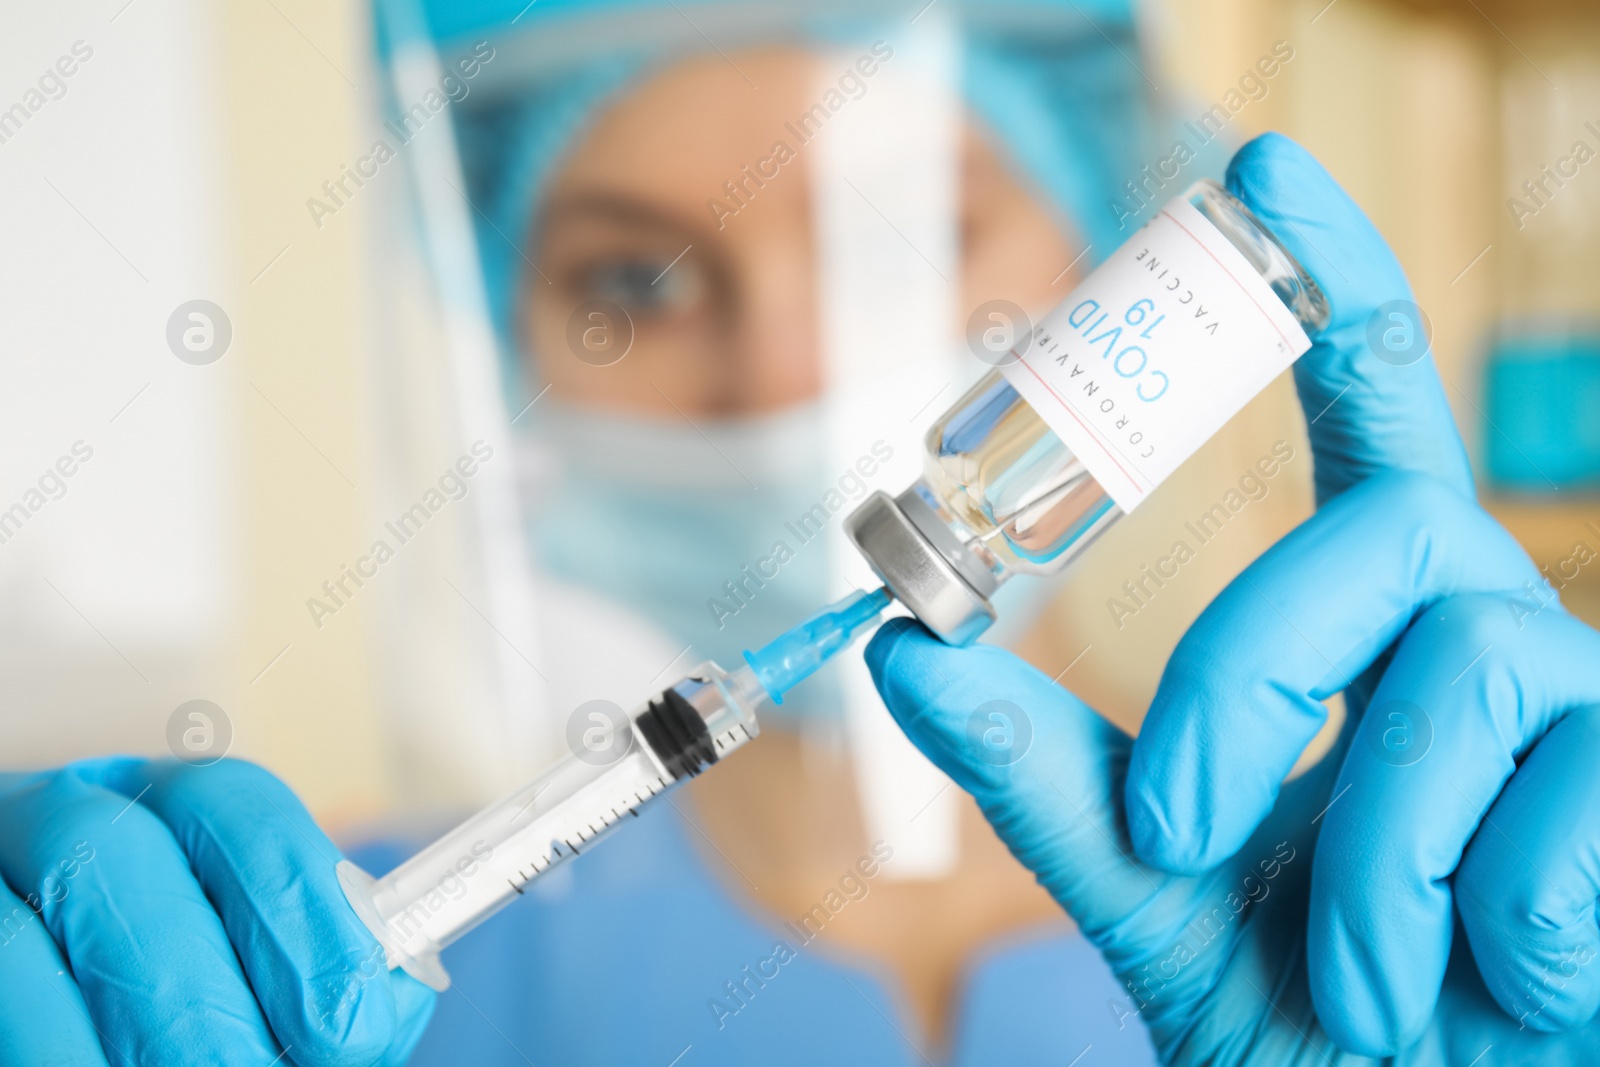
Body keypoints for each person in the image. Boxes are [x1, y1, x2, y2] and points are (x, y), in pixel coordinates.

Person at [4, 7, 1598, 1067]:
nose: (786, 371)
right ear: (500, 337)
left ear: (1112, 231)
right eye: (636, 287)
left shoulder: (1414, 905)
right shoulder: (309, 959)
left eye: (902, 235)